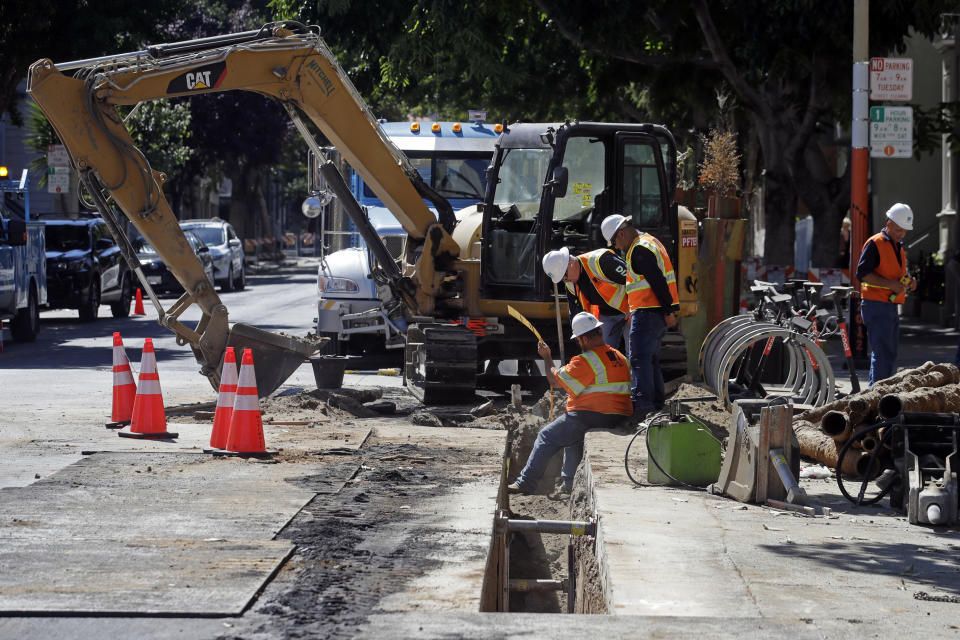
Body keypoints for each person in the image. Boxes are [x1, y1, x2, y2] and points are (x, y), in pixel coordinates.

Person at [507, 312, 632, 495]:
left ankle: (526, 482)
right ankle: (568, 485)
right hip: (619, 416)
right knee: (573, 439)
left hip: (590, 415)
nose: (579, 345)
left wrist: (547, 357)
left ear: (583, 338)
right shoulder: (619, 356)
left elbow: (555, 380)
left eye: (578, 341)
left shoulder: (586, 361)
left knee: (546, 437)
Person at [601, 214, 679, 420]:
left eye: (615, 242)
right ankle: (655, 403)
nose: (616, 247)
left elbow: (657, 281)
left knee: (638, 359)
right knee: (650, 359)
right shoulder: (649, 242)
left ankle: (643, 407)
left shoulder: (639, 250)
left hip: (648, 313)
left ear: (621, 233)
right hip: (651, 313)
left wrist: (667, 311)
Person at [856, 203, 918, 386]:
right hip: (876, 304)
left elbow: (895, 274)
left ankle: (876, 394)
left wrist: (909, 281)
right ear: (889, 223)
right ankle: (878, 396)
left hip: (888, 305)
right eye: (899, 230)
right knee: (883, 353)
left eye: (905, 231)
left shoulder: (897, 246)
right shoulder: (875, 243)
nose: (902, 234)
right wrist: (891, 284)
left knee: (888, 353)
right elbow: (862, 274)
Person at [541, 246, 630, 355]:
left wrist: (633, 309)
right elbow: (575, 313)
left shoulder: (601, 261)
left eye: (564, 275)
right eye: (561, 279)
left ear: (570, 263)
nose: (565, 280)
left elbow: (633, 279)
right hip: (606, 316)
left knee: (634, 354)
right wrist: (580, 338)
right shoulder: (570, 284)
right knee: (602, 356)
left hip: (630, 311)